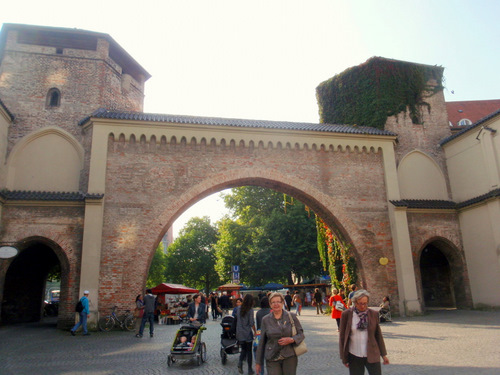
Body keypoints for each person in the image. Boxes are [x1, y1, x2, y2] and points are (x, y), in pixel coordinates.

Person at [339, 289, 389, 375]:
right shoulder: (346, 315)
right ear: (355, 302)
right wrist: (344, 357)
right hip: (354, 354)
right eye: (360, 303)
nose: (363, 306)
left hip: (372, 353)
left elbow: (378, 335)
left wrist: (383, 355)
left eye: (365, 303)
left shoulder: (373, 314)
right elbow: (342, 337)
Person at [255, 292, 305, 375]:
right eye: (273, 302)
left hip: (289, 356)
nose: (276, 304)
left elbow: (301, 334)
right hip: (272, 356)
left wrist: (292, 339)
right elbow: (262, 342)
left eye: (278, 302)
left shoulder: (291, 316)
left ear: (282, 303)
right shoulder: (265, 320)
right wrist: (258, 362)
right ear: (270, 304)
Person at [236, 294, 257, 374]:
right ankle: (249, 369)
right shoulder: (250, 310)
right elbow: (251, 323)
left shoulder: (238, 308)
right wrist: (255, 332)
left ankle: (240, 362)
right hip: (247, 333)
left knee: (243, 349)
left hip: (239, 332)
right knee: (249, 351)